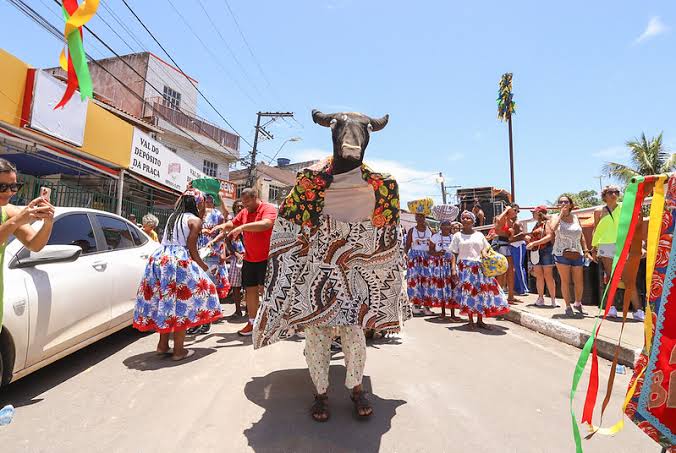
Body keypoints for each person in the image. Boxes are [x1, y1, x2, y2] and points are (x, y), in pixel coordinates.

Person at [252, 109, 408, 423]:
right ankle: (320, 394)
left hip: (355, 271)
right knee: (317, 335)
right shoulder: (311, 179)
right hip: (317, 269)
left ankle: (356, 389)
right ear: (333, 134)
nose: (351, 139)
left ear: (367, 139)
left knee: (354, 335)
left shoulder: (382, 184)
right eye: (344, 131)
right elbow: (291, 225)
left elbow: (388, 237)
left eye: (359, 132)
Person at [132, 188, 222, 361]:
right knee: (183, 302)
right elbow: (192, 249)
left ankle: (162, 345)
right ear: (198, 204)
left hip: (160, 260)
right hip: (178, 263)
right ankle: (179, 351)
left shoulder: (172, 218)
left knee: (166, 302)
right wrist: (204, 267)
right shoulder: (195, 221)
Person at [212, 188, 277, 336]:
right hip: (250, 258)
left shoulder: (268, 208)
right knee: (250, 291)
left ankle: (273, 323)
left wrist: (242, 227)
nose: (245, 206)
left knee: (268, 291)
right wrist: (222, 226)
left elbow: (266, 224)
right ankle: (252, 322)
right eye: (243, 203)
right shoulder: (245, 212)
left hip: (267, 258)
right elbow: (233, 223)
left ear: (256, 198)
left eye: (247, 203)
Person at [0, 158, 55, 332]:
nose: (9, 192)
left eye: (14, 186)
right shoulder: (13, 216)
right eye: (2, 187)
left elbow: (34, 244)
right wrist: (17, 220)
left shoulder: (8, 211)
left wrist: (48, 222)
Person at [451, 210, 509, 329]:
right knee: (469, 294)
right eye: (463, 218)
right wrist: (453, 269)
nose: (465, 220)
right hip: (465, 268)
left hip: (479, 267)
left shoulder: (479, 235)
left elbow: (486, 248)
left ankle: (480, 320)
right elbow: (453, 253)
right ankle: (470, 320)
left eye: (468, 218)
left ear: (473, 221)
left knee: (481, 293)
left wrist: (484, 252)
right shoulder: (457, 236)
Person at [591, 185, 644, 320]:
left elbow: (635, 224)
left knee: (628, 278)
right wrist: (593, 248)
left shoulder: (625, 207)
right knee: (611, 277)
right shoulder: (598, 211)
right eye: (610, 192)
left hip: (623, 243)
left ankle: (638, 310)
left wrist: (639, 244)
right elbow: (596, 230)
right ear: (604, 195)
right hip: (606, 244)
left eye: (616, 192)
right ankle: (611, 307)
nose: (614, 194)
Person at [188, 192, 231, 335]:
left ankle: (207, 321)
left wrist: (213, 240)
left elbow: (223, 232)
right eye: (205, 200)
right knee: (197, 287)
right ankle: (199, 320)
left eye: (210, 200)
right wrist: (202, 230)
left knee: (208, 287)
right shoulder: (198, 215)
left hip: (212, 255)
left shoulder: (217, 214)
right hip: (198, 253)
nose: (208, 202)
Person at [550, 195, 592, 316]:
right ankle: (568, 306)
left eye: (566, 201)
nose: (563, 203)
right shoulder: (555, 217)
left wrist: (586, 250)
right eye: (561, 202)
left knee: (579, 281)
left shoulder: (575, 217)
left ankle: (578, 303)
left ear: (571, 204)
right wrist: (561, 215)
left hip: (577, 252)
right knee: (565, 281)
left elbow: (581, 235)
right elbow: (553, 228)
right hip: (561, 252)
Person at [429, 220, 461, 320]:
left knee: (452, 288)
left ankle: (452, 314)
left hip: (451, 264)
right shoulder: (435, 237)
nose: (446, 228)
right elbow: (430, 251)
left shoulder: (454, 237)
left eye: (448, 226)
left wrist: (454, 266)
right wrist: (437, 254)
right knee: (442, 288)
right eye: (444, 225)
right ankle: (442, 312)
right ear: (441, 226)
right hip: (439, 266)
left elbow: (456, 252)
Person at [526, 206, 557, 307]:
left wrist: (534, 243)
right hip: (537, 251)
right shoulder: (536, 225)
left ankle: (553, 299)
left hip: (546, 250)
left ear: (540, 213)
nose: (532, 214)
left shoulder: (547, 223)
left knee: (548, 275)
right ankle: (540, 298)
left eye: (534, 212)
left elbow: (549, 237)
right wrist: (529, 239)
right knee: (539, 275)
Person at [405, 213, 434, 315]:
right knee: (414, 281)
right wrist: (405, 256)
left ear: (425, 218)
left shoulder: (430, 230)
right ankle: (415, 305)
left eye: (422, 216)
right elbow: (408, 245)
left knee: (426, 281)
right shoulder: (412, 231)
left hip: (426, 259)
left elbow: (433, 244)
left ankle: (426, 307)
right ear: (415, 218)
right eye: (418, 217)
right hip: (415, 258)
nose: (420, 218)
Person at [494, 204, 521, 303]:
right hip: (501, 245)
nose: (516, 212)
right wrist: (506, 210)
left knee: (510, 271)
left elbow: (510, 238)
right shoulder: (502, 218)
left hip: (507, 245)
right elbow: (497, 225)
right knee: (501, 272)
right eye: (515, 210)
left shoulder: (510, 222)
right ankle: (499, 297)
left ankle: (510, 296)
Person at [226, 200, 245, 317]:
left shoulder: (250, 221)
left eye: (241, 206)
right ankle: (238, 311)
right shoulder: (231, 223)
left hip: (249, 257)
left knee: (249, 287)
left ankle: (249, 311)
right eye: (237, 207)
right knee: (236, 286)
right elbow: (227, 240)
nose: (239, 208)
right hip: (235, 259)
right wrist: (235, 253)